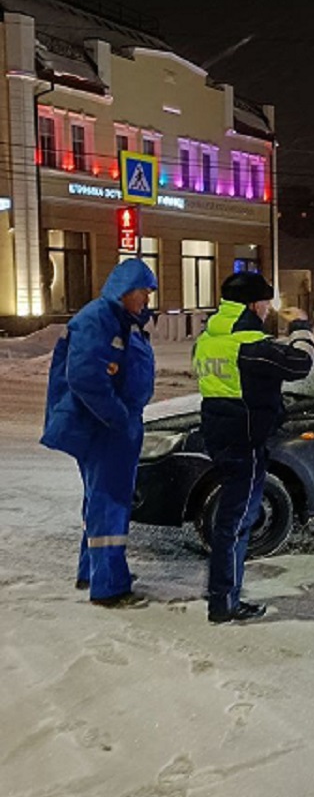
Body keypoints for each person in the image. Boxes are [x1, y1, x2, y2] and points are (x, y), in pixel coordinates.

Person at [193, 272, 314, 624]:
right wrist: (301, 328)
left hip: (221, 436)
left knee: (235, 519)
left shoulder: (208, 339)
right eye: (264, 303)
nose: (266, 310)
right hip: (244, 443)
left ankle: (225, 596)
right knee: (233, 523)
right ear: (251, 304)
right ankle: (223, 603)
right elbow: (300, 364)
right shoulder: (248, 345)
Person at [41, 259, 158, 608]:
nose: (146, 301)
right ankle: (110, 586)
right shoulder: (99, 319)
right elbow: (86, 377)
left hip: (110, 424)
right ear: (125, 291)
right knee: (111, 501)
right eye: (143, 293)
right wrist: (119, 418)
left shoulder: (120, 320)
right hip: (105, 427)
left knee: (100, 498)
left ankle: (92, 571)